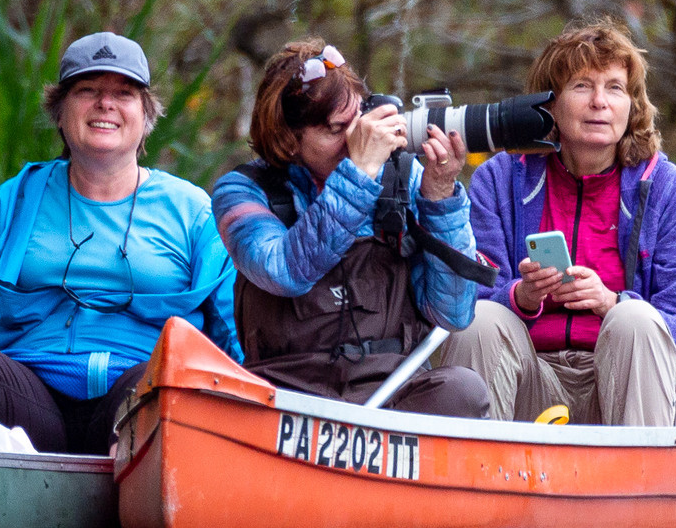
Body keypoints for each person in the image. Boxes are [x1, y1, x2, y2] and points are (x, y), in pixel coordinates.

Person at [0, 32, 239, 454]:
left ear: (145, 115)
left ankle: (136, 503)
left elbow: (234, 330)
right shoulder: (20, 198)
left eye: (124, 93)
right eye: (88, 90)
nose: (106, 103)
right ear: (61, 113)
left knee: (167, 385)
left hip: (136, 395)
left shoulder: (194, 211)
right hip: (27, 398)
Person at [443, 17, 676, 426]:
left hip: (639, 389)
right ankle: (480, 481)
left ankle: (642, 485)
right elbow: (461, 302)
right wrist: (522, 297)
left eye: (615, 88)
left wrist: (611, 303)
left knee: (634, 321)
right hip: (534, 381)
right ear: (549, 104)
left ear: (633, 106)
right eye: (582, 86)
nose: (600, 102)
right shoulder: (499, 179)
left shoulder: (669, 190)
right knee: (478, 321)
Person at [209, 38, 492, 417]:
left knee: (463, 390)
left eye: (358, 121)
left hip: (392, 386)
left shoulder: (403, 180)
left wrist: (440, 196)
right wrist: (357, 173)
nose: (358, 139)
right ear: (289, 140)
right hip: (285, 394)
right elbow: (283, 271)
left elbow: (453, 314)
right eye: (335, 129)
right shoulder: (242, 191)